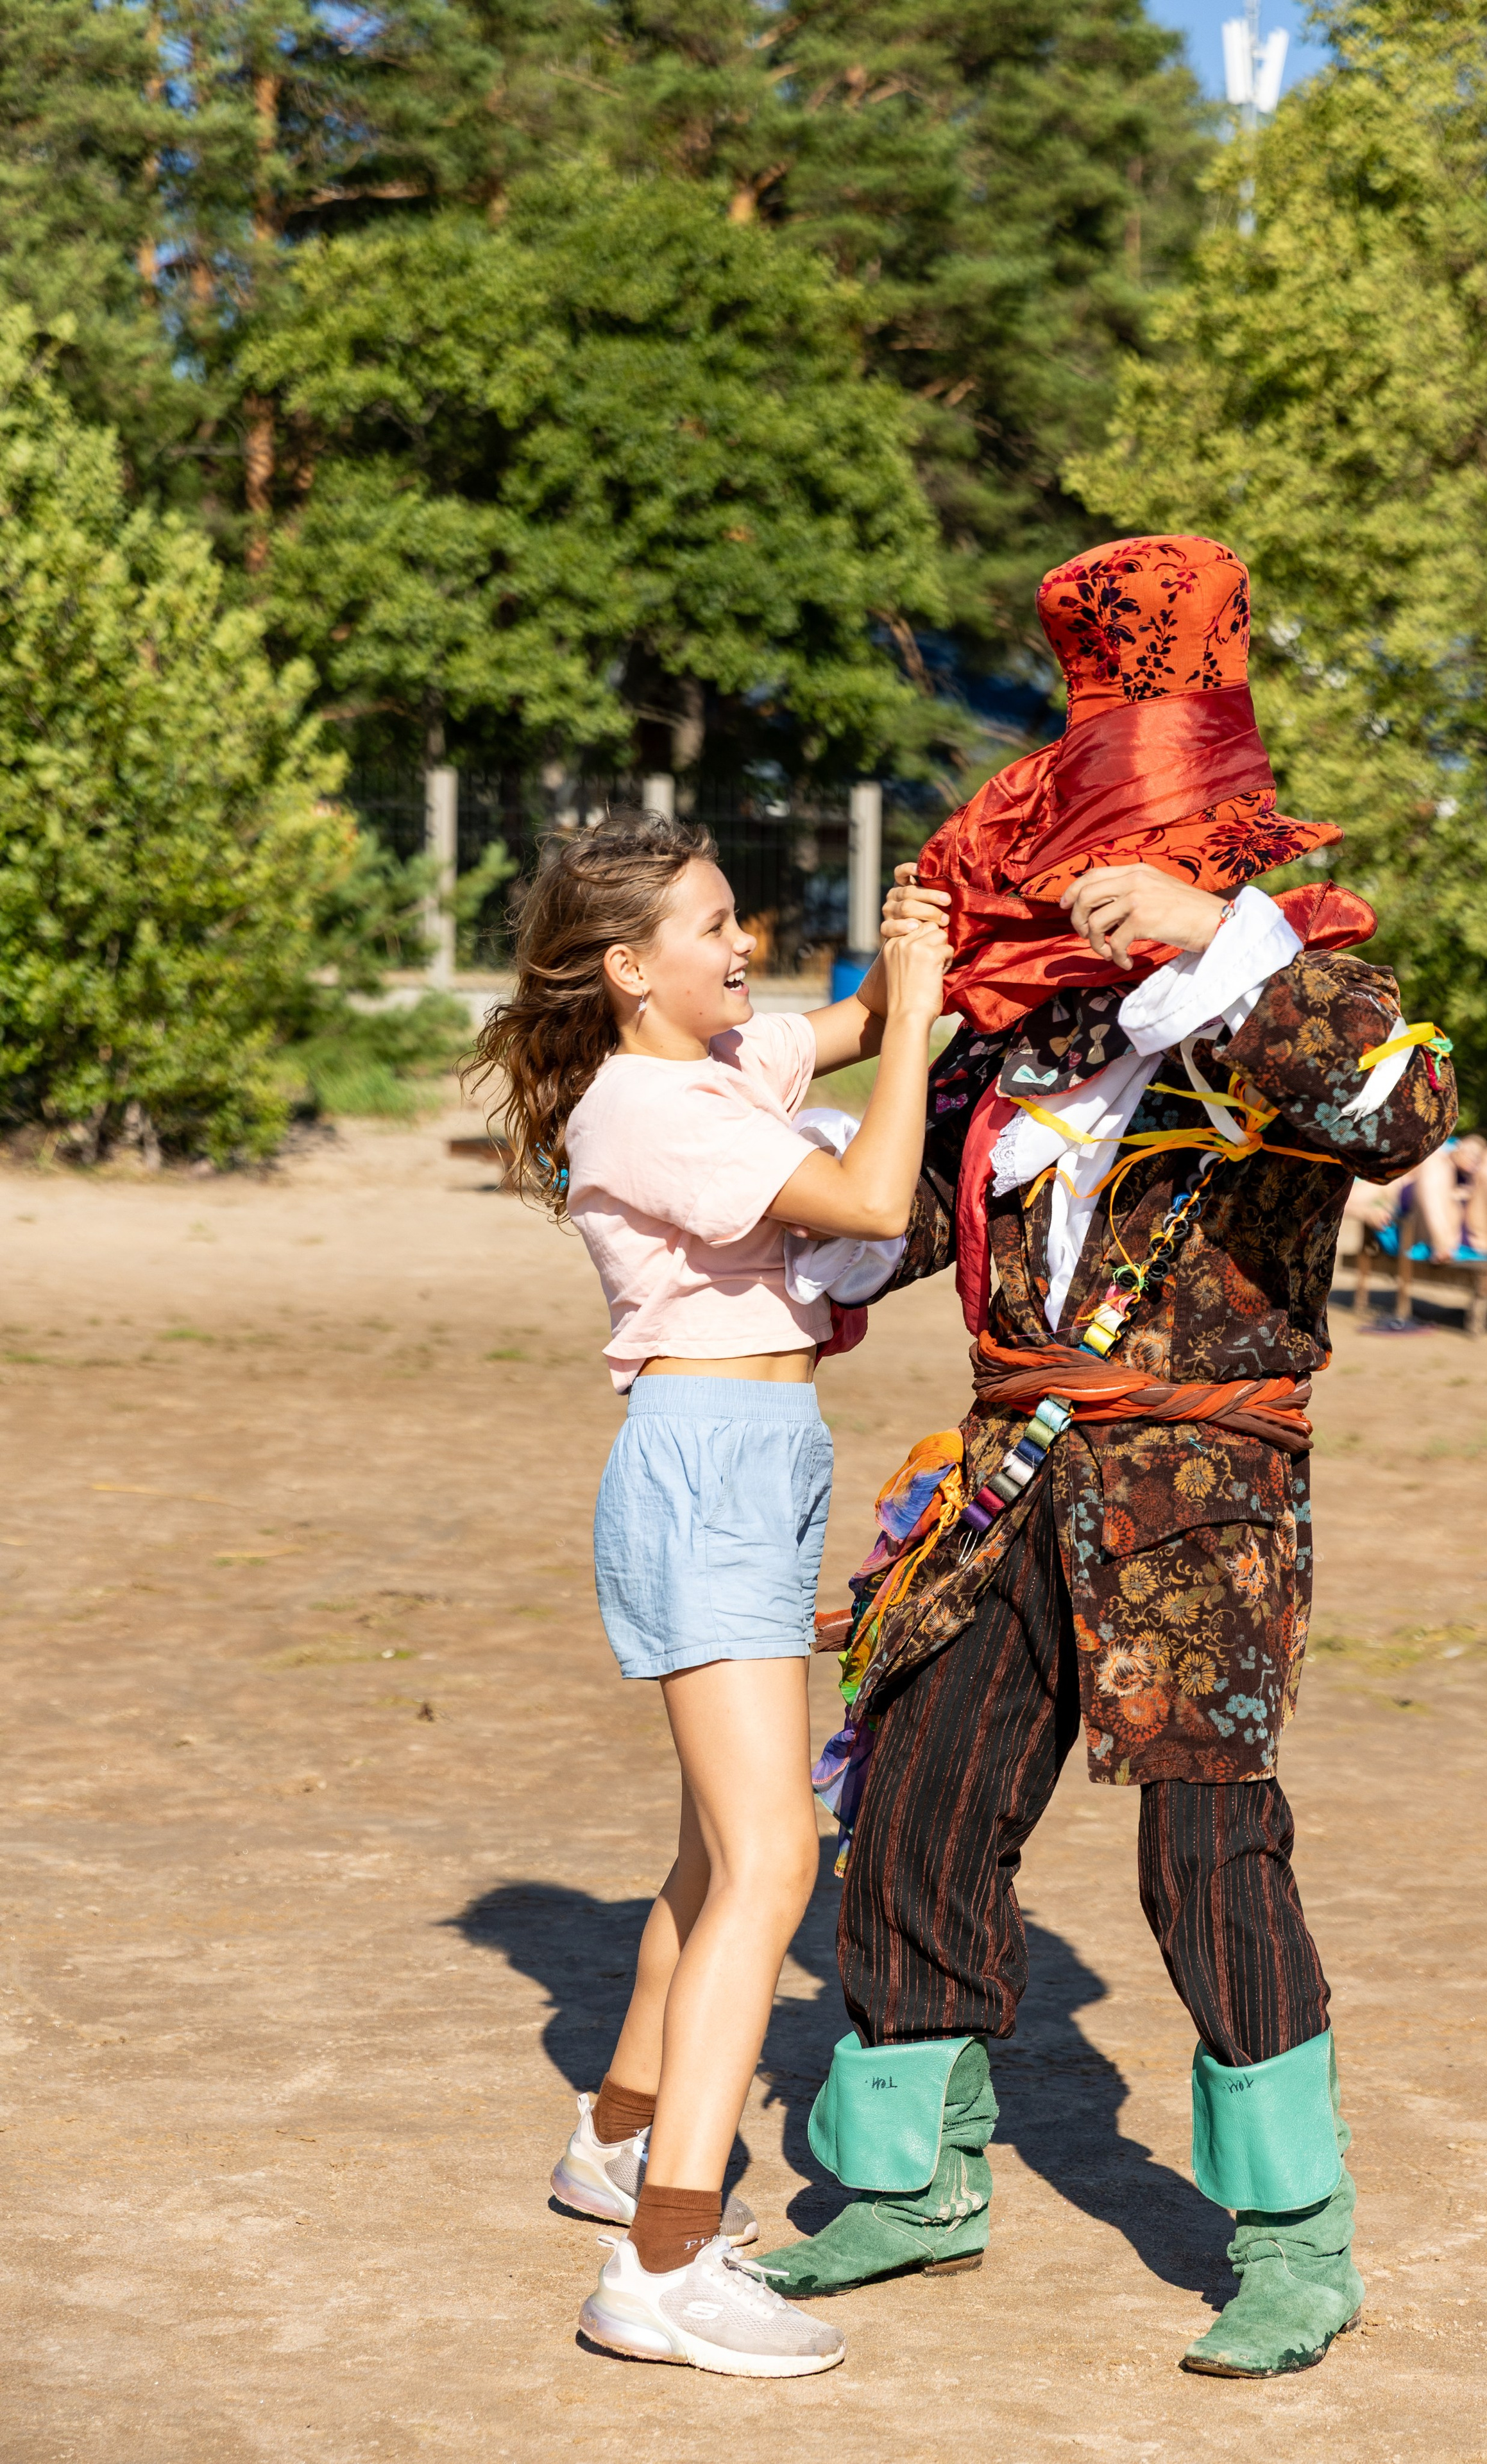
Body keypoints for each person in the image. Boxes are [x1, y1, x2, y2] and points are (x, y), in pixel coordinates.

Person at [752, 535, 1459, 2379]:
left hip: (1200, 1504)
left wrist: (1216, 949)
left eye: (1127, 845)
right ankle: (913, 2181)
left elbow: (1405, 1112)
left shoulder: (1305, 984)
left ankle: (1295, 2234)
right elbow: (879, 1216)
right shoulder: (1028, 1021)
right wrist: (698, 1154)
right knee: (914, 1808)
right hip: (998, 1485)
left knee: (1208, 1858)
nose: (1095, 883)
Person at [470, 808, 949, 2381]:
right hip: (706, 1461)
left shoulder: (722, 1063)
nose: (743, 943)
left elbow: (866, 1009)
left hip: (752, 1451)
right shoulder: (646, 1107)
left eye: (740, 917)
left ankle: (615, 2141)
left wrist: (928, 932)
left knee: (709, 1849)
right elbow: (877, 1201)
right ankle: (661, 2260)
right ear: (628, 967)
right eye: (713, 925)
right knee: (769, 1858)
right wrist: (920, 1028)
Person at [1345, 1134, 1487, 1263]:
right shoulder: (1393, 1177)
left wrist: (1467, 1148)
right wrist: (1367, 1213)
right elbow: (1344, 1202)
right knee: (1433, 1164)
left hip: (1480, 1233)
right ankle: (1442, 1245)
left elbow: (1477, 1143)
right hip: (1434, 1236)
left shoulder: (1449, 1150)